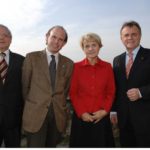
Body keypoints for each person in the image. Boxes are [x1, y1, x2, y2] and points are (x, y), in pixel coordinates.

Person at [22, 25, 74, 147]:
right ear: (47, 37)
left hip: (57, 117)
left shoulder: (69, 63)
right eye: (54, 37)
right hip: (35, 115)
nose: (56, 41)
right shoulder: (31, 58)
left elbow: (66, 89)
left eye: (61, 39)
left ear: (64, 43)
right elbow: (25, 86)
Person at [69, 33, 115, 147]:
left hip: (101, 118)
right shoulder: (76, 67)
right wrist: (82, 113)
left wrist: (104, 111)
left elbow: (111, 91)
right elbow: (73, 93)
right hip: (81, 119)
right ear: (83, 49)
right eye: (87, 46)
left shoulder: (107, 67)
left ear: (99, 46)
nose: (90, 49)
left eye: (94, 45)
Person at [111, 21, 150, 147]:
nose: (130, 38)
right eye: (126, 35)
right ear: (121, 38)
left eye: (134, 34)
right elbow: (115, 87)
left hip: (146, 119)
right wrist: (113, 110)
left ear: (140, 35)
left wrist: (141, 92)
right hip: (124, 120)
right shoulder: (117, 60)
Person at [0, 24, 24, 147]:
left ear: (11, 39)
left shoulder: (22, 61)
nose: (1, 38)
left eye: (5, 35)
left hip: (14, 120)